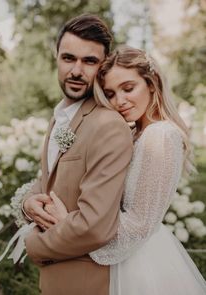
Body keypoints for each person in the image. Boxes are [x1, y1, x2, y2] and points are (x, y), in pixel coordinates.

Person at [45, 45, 206, 295]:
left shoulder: (160, 136)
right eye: (110, 94)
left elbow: (139, 224)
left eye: (128, 88)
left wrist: (69, 224)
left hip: (139, 262)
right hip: (121, 254)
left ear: (151, 84)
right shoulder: (135, 133)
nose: (119, 101)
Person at [20, 14, 133, 295]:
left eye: (90, 61)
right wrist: (27, 203)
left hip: (86, 281)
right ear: (57, 58)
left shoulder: (107, 125)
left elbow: (95, 227)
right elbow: (51, 181)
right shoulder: (62, 116)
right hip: (55, 281)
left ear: (104, 66)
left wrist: (31, 245)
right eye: (68, 58)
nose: (76, 71)